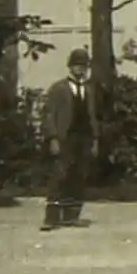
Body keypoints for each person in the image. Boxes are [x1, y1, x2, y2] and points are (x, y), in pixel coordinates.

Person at [37, 51, 97, 231]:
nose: (81, 69)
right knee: (59, 176)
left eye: (84, 66)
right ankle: (52, 218)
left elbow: (92, 116)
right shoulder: (58, 88)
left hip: (83, 138)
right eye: (78, 65)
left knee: (78, 176)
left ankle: (72, 215)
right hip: (65, 138)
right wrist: (53, 137)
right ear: (70, 66)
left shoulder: (88, 89)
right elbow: (49, 115)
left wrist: (95, 139)